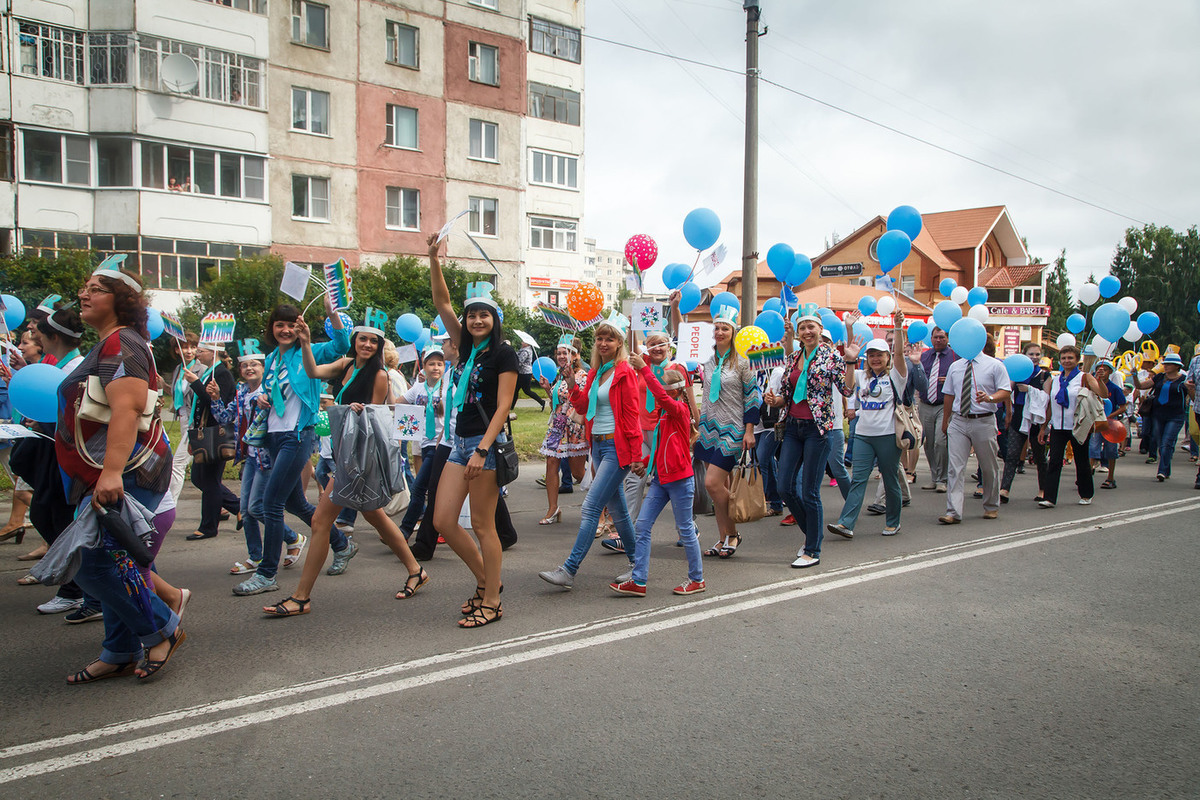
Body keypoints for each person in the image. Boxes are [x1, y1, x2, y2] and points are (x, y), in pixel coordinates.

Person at [56, 264, 184, 683]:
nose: (84, 294)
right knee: (115, 560)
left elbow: (126, 409)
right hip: (108, 472)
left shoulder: (122, 342)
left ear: (122, 301)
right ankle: (119, 650)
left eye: (97, 289)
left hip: (128, 471)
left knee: (91, 564)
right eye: (85, 287)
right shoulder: (111, 342)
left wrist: (110, 472)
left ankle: (162, 628)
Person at [263, 322, 427, 617]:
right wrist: (306, 342)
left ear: (379, 347)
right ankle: (416, 570)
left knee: (320, 523)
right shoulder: (346, 363)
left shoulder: (379, 375)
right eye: (362, 339)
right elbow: (313, 372)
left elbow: (375, 418)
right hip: (344, 453)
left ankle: (302, 597)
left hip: (357, 460)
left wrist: (359, 409)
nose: (367, 345)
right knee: (374, 516)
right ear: (355, 341)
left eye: (373, 342)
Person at [232, 298, 350, 596]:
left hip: (297, 436)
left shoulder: (308, 350)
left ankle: (267, 573)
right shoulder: (272, 359)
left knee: (270, 504)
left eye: (291, 325)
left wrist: (332, 313)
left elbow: (341, 345)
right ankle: (342, 544)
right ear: (272, 328)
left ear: (300, 329)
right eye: (280, 325)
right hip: (272, 435)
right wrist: (263, 398)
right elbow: (273, 392)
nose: (285, 330)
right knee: (295, 503)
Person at [427, 233, 517, 628]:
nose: (477, 320)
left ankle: (493, 600)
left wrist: (481, 449)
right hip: (458, 443)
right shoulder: (464, 348)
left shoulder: (503, 353)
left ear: (495, 319)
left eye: (485, 314)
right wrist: (433, 258)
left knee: (482, 524)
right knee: (442, 520)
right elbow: (442, 302)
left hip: (486, 445)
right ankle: (486, 579)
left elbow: (504, 406)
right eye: (472, 315)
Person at [539, 312, 641, 589]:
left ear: (620, 343)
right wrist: (571, 382)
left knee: (591, 507)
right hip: (597, 445)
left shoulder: (624, 372)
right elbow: (583, 407)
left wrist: (635, 456)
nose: (603, 343)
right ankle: (638, 566)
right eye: (599, 338)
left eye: (610, 338)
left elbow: (632, 416)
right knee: (618, 511)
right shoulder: (597, 372)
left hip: (616, 448)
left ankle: (569, 570)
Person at [9, 308, 90, 615]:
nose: (34, 336)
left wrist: (41, 422)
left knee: (56, 516)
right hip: (49, 447)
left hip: (65, 452)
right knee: (46, 513)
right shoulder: (55, 364)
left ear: (53, 336)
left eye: (38, 332)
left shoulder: (77, 366)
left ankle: (75, 588)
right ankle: (76, 585)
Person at [610, 351, 704, 596]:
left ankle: (697, 579)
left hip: (681, 480)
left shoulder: (679, 410)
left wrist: (643, 369)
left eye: (665, 388)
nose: (658, 391)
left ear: (674, 392)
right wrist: (643, 463)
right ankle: (639, 580)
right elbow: (660, 447)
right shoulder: (664, 415)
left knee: (685, 529)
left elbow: (659, 394)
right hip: (662, 480)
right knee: (642, 525)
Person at [765, 303, 849, 569]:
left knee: (809, 491)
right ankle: (813, 533)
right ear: (799, 333)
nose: (807, 331)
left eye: (811, 326)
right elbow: (789, 396)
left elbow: (846, 390)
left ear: (820, 330)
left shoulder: (831, 356)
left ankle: (812, 548)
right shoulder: (792, 358)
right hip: (792, 427)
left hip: (817, 429)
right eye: (803, 327)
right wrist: (776, 400)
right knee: (784, 487)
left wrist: (851, 362)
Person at [213, 350, 305, 575]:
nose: (249, 369)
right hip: (249, 457)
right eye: (244, 366)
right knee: (245, 510)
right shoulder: (240, 392)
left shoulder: (270, 391)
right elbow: (225, 418)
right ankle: (255, 556)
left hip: (267, 458)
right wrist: (215, 399)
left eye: (254, 364)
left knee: (256, 507)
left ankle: (293, 537)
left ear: (264, 368)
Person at [827, 310, 907, 539]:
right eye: (871, 355)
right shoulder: (863, 375)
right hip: (862, 434)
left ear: (887, 357)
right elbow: (848, 386)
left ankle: (893, 521)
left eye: (880, 355)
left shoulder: (897, 376)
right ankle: (846, 523)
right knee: (858, 480)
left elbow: (900, 353)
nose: (875, 359)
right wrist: (850, 330)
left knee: (890, 479)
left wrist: (898, 327)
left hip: (888, 436)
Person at [694, 306, 759, 559]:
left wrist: (749, 431)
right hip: (709, 429)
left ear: (734, 332)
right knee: (717, 487)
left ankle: (733, 533)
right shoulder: (708, 362)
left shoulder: (743, 362)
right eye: (717, 328)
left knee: (712, 483)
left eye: (725, 328)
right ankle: (723, 538)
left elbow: (752, 398)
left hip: (733, 429)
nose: (720, 332)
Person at [938, 337, 1012, 523]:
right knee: (955, 467)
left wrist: (990, 398)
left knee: (988, 466)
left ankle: (991, 506)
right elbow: (949, 394)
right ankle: (953, 512)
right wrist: (946, 420)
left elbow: (1005, 391)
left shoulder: (995, 365)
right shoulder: (956, 366)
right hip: (959, 420)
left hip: (983, 420)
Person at [183, 342, 240, 541]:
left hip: (216, 433)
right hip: (204, 432)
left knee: (209, 481)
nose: (197, 354)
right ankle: (238, 507)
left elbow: (219, 404)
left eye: (201, 351)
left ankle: (208, 526)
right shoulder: (210, 372)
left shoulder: (221, 373)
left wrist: (195, 383)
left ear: (213, 352)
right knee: (199, 478)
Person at [1038, 345, 1107, 507]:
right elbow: (1050, 405)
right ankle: (1049, 498)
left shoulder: (1085, 377)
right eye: (1064, 358)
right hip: (1058, 427)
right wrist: (1043, 427)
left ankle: (1086, 493)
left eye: (1070, 358)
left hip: (1078, 425)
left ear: (1077, 360)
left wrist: (1101, 380)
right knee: (1054, 461)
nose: (1067, 361)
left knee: (1081, 461)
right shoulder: (1055, 380)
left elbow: (1103, 394)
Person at [535, 334, 588, 526]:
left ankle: (602, 505)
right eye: (558, 353)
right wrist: (548, 389)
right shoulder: (558, 376)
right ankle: (553, 508)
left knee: (578, 473)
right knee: (551, 463)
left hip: (573, 427)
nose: (561, 356)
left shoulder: (582, 376)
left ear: (575, 355)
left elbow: (580, 403)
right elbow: (556, 405)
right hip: (557, 426)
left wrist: (570, 381)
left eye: (565, 353)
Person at [397, 344, 448, 539]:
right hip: (425, 443)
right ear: (424, 366)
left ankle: (404, 530)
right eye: (431, 364)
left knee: (419, 488)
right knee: (432, 489)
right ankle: (436, 529)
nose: (436, 368)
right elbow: (398, 402)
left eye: (440, 364)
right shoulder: (418, 387)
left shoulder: (446, 388)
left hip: (440, 444)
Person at [1000, 343, 1049, 502]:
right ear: (1024, 355)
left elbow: (1047, 399)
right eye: (1031, 354)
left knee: (1039, 457)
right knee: (1012, 454)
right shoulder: (1017, 372)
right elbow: (1007, 392)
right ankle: (1004, 489)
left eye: (1037, 354)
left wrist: (1030, 390)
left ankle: (1043, 489)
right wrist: (1008, 414)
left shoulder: (1044, 376)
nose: (1034, 358)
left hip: (1036, 418)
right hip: (1019, 416)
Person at [1134, 353, 1194, 482]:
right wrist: (1134, 375)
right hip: (1158, 415)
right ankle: (1166, 468)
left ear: (1177, 366)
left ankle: (1161, 471)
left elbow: (1193, 397)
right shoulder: (1159, 377)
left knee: (1167, 442)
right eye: (1165, 364)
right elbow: (1140, 386)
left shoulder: (1184, 379)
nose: (1166, 366)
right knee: (1162, 443)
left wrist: (1192, 393)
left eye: (1169, 364)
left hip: (1176, 416)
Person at [918, 326, 957, 493]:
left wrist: (949, 380)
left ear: (947, 339)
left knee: (941, 442)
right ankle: (934, 477)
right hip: (926, 404)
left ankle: (943, 479)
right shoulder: (925, 356)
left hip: (944, 404)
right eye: (935, 337)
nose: (938, 340)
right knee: (928, 443)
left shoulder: (955, 357)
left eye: (942, 337)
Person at [168, 332, 200, 502]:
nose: (189, 351)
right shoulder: (178, 370)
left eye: (193, 347)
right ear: (177, 350)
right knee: (200, 467)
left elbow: (200, 394)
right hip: (182, 419)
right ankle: (227, 505)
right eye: (185, 347)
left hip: (193, 422)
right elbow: (179, 394)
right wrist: (164, 385)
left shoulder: (200, 369)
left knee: (178, 464)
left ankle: (169, 506)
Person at [1089, 360, 1128, 490]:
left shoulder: (1115, 389)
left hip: (1110, 423)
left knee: (1111, 449)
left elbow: (1123, 407)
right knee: (1093, 448)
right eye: (1099, 369)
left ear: (1110, 372)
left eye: (1105, 370)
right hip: (1096, 421)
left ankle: (1110, 478)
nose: (1102, 372)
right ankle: (1087, 477)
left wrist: (1110, 415)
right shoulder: (1092, 386)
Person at [514, 340, 546, 411]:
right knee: (515, 390)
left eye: (523, 342)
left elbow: (520, 361)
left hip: (525, 373)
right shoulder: (523, 350)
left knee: (526, 391)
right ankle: (511, 406)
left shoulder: (525, 351)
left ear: (527, 344)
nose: (521, 342)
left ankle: (541, 401)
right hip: (522, 373)